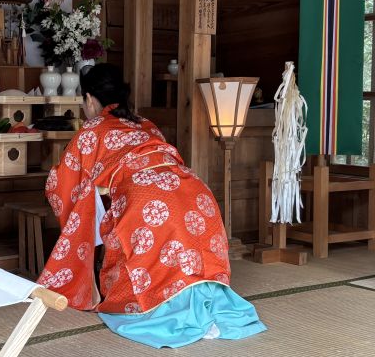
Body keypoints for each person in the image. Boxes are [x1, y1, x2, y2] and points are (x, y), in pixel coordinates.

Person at [40, 64, 266, 348]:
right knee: (193, 253)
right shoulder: (146, 124)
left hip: (147, 196)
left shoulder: (94, 127)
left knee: (140, 260)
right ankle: (208, 308)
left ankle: (170, 314)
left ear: (88, 99)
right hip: (193, 188)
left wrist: (59, 185)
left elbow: (64, 180)